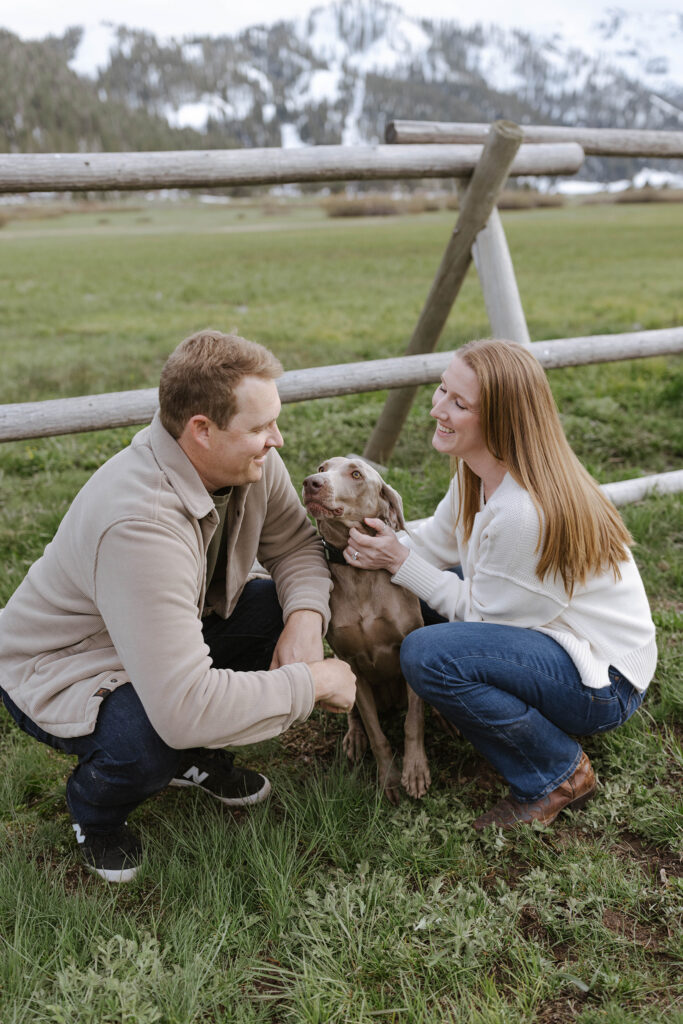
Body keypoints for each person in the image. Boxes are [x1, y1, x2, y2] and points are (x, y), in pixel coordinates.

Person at [0, 329, 355, 881]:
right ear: (201, 430)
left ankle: (191, 757)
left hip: (165, 633)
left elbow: (293, 545)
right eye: (260, 427)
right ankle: (96, 813)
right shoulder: (140, 522)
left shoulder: (249, 465)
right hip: (62, 665)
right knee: (147, 741)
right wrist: (315, 683)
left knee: (274, 609)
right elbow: (185, 704)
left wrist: (306, 623)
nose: (277, 440)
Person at [344, 338, 656, 830]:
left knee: (429, 654)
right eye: (442, 389)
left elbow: (481, 617)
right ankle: (492, 718)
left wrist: (400, 561)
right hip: (553, 631)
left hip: (605, 679)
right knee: (426, 593)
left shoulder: (521, 513)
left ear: (501, 422)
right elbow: (437, 543)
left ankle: (554, 772)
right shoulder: (479, 471)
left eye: (458, 404)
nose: (437, 408)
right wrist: (373, 543)